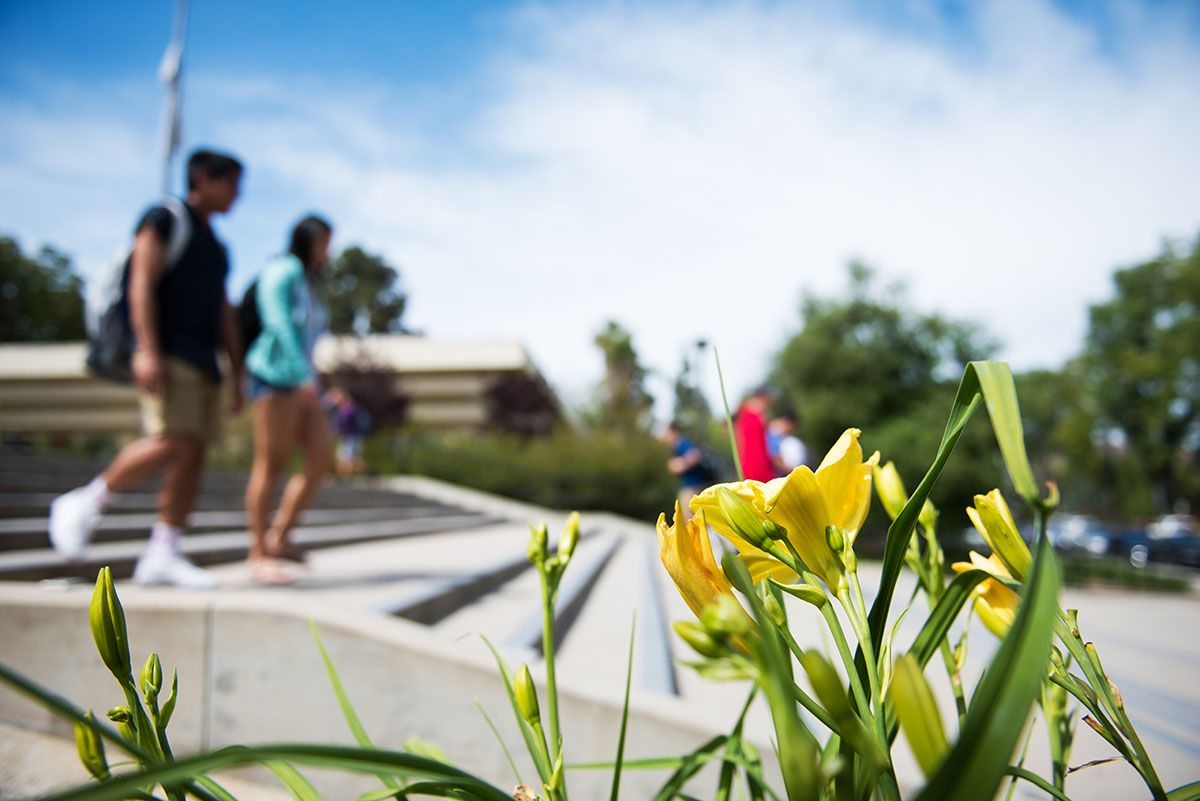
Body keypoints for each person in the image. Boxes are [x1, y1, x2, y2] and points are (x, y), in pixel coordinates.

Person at [48, 149, 245, 588]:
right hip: (170, 351)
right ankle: (85, 503)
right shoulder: (164, 219)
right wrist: (148, 349)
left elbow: (223, 310)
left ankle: (163, 551)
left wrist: (236, 371)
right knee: (170, 440)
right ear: (203, 178)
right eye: (231, 183)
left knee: (192, 452)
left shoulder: (215, 246)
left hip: (203, 361)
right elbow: (142, 280)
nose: (237, 194)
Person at [242, 215, 334, 584]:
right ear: (310, 240)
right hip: (278, 380)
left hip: (304, 381)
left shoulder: (309, 282)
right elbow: (278, 322)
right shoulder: (282, 270)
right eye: (326, 241)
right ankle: (258, 553)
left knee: (320, 460)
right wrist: (300, 374)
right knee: (271, 463)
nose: (331, 250)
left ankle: (278, 537)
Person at [661, 421, 711, 521]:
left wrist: (677, 465)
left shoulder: (681, 443)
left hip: (691, 486)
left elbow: (694, 456)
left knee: (688, 517)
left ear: (672, 431)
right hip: (692, 485)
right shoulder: (680, 443)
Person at [326, 387, 369, 476]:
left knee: (348, 460)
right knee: (342, 459)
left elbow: (344, 424)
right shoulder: (341, 410)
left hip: (351, 437)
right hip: (346, 437)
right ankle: (344, 479)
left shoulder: (349, 410)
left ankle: (367, 471)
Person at [734, 386, 775, 482]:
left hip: (745, 466)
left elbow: (738, 441)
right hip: (761, 466)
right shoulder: (759, 414)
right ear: (763, 398)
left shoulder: (742, 413)